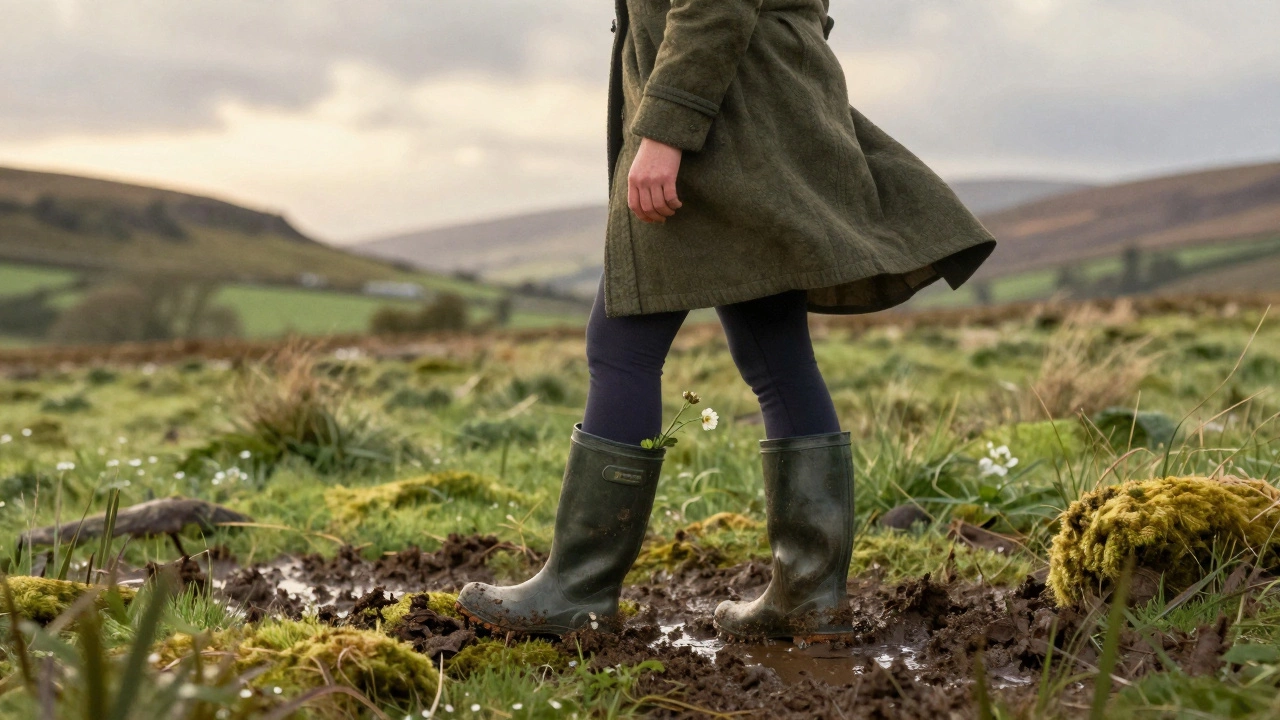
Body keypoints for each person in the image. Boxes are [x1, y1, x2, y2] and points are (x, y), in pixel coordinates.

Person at [456, 0, 995, 641]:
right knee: (774, 351)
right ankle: (808, 594)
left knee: (622, 344)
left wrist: (665, 131)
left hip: (716, 128)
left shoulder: (686, 123)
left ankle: (579, 587)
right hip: (756, 113)